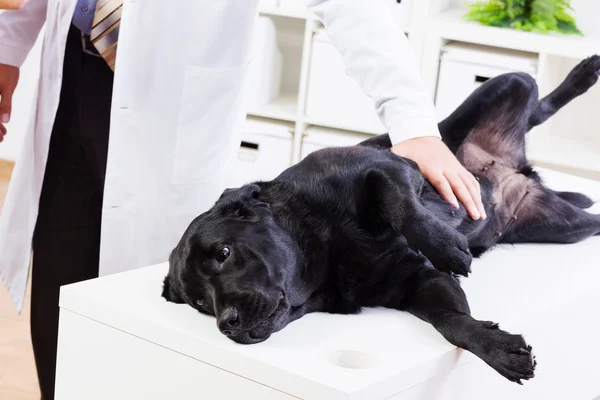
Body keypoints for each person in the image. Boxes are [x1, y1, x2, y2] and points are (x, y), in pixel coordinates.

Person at [0, 0, 486, 398]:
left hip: (172, 101)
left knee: (156, 336)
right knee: (59, 308)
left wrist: (412, 121)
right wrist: (6, 49)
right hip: (69, 74)